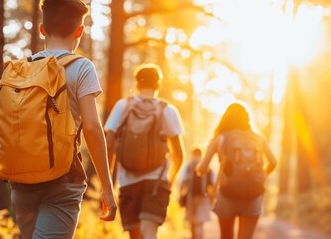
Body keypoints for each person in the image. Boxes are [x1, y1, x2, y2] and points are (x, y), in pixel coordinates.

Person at [0, 0, 117, 238]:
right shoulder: (81, 67)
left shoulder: (17, 70)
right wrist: (107, 187)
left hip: (21, 182)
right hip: (64, 181)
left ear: (42, 29)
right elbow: (93, 128)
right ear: (79, 31)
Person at [104, 63, 185, 239]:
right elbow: (179, 154)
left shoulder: (123, 106)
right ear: (158, 84)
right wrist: (168, 182)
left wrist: (108, 182)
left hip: (127, 181)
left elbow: (109, 145)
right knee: (149, 233)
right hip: (156, 182)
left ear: (137, 84)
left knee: (135, 235)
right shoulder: (167, 110)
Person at [195, 102, 276, 239]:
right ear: (247, 119)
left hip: (228, 195)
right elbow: (273, 163)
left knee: (226, 236)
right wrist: (260, 176)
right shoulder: (258, 138)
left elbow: (202, 169)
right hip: (253, 194)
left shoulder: (220, 138)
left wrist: (200, 169)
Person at [178, 148, 215, 239]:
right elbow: (213, 185)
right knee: (200, 223)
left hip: (191, 197)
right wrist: (212, 198)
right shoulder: (207, 167)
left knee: (192, 222)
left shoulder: (188, 165)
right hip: (203, 197)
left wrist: (180, 195)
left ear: (193, 154)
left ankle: (194, 237)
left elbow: (182, 182)